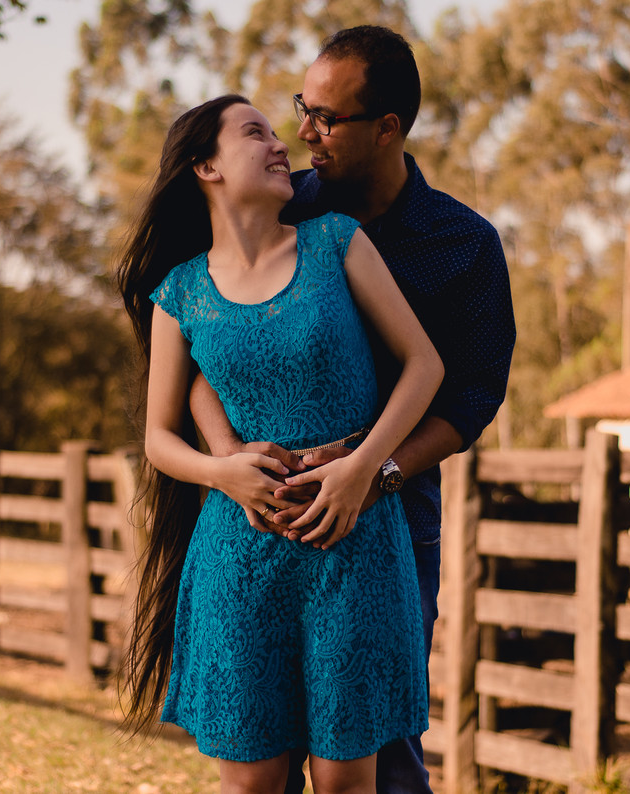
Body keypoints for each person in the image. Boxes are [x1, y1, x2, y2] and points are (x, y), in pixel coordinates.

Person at [189, 27, 516, 794]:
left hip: (395, 512)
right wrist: (230, 458)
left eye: (326, 119)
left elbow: (470, 395)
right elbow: (199, 332)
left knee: (380, 748)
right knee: (262, 743)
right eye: (304, 108)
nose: (304, 132)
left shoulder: (464, 246)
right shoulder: (283, 208)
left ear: (389, 129)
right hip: (262, 512)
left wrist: (378, 472)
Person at [116, 94, 445, 794]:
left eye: (275, 133)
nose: (280, 145)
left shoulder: (336, 241)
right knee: (251, 783)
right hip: (240, 555)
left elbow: (426, 366)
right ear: (206, 164)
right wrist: (223, 471)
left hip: (351, 541)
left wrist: (364, 469)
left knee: (346, 782)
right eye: (255, 133)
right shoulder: (181, 294)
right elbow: (158, 439)